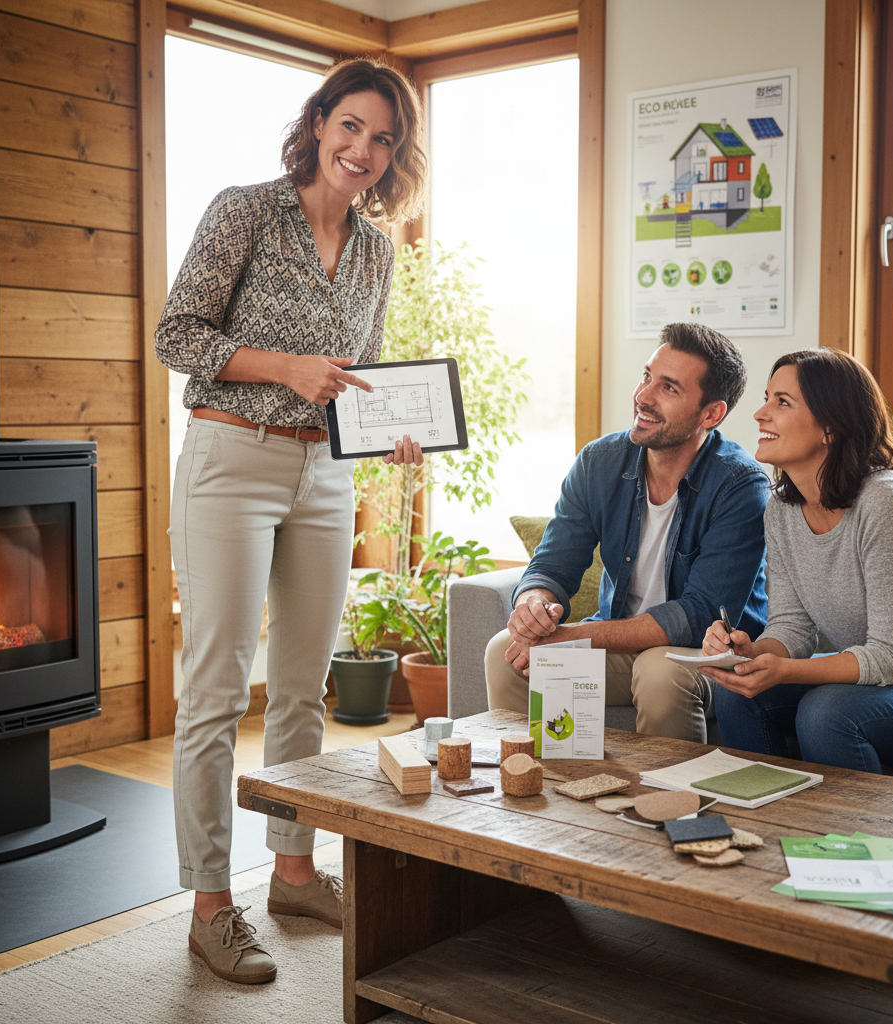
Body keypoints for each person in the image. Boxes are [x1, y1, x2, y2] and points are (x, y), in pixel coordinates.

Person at [155, 58, 427, 984]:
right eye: (350, 126)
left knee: (305, 690)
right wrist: (282, 365)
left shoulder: (379, 251)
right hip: (230, 462)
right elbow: (176, 335)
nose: (363, 149)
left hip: (323, 476)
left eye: (383, 137)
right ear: (318, 124)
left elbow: (363, 373)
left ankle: (296, 872)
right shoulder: (244, 210)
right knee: (218, 693)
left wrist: (390, 431)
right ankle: (209, 905)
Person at [700, 348, 893, 773]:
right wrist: (750, 652)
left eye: (781, 402)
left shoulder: (886, 502)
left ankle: (855, 840)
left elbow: (892, 658)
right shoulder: (782, 510)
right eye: (767, 398)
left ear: (831, 427)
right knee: (739, 690)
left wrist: (784, 669)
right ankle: (766, 827)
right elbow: (792, 627)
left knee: (827, 712)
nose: (759, 414)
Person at [485, 322, 769, 741]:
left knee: (659, 671)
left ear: (712, 413)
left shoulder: (740, 485)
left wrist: (574, 636)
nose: (644, 396)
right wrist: (532, 604)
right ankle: (536, 791)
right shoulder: (599, 462)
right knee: (505, 652)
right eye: (647, 377)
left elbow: (697, 615)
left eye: (669, 388)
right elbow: (553, 564)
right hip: (621, 636)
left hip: (706, 654)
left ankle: (672, 803)